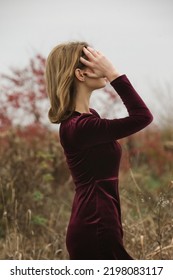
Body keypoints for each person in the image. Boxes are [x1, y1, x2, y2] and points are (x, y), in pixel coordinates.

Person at [45, 41, 153, 260]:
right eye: (94, 62)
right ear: (80, 75)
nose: (102, 65)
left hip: (99, 222)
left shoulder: (87, 119)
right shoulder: (80, 127)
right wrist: (113, 74)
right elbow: (142, 117)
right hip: (96, 225)